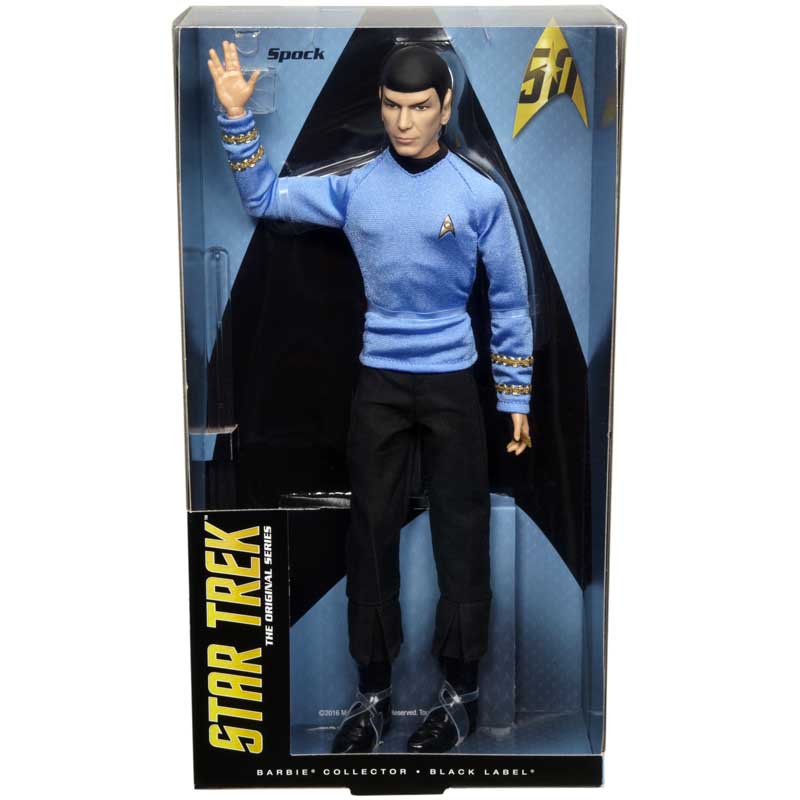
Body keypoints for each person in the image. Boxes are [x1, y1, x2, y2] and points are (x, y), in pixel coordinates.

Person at [208, 40, 533, 754]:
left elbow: (511, 298)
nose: (403, 121)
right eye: (391, 105)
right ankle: (373, 694)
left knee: (462, 536)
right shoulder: (357, 187)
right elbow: (264, 198)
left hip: (452, 382)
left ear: (446, 107)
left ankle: (461, 694)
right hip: (379, 382)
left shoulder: (478, 195)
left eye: (419, 107)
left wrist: (516, 396)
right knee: (370, 536)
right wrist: (236, 119)